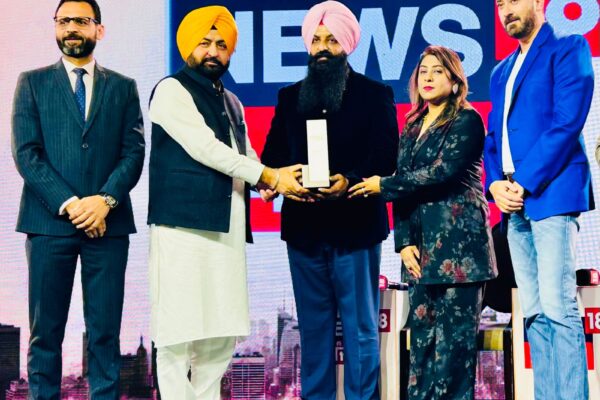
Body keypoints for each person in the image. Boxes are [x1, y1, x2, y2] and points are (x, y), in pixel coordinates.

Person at [147, 6, 306, 400]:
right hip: (182, 228)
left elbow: (243, 153)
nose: (213, 52)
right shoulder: (170, 91)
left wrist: (267, 180)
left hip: (228, 228)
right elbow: (206, 149)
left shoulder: (232, 100)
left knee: (219, 335)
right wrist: (268, 176)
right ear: (188, 48)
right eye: (205, 43)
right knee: (176, 334)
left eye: (222, 45)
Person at [260, 1, 399, 398]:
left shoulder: (374, 95)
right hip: (304, 232)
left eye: (332, 40)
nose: (322, 48)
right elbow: (271, 158)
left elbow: (386, 158)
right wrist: (284, 178)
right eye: (316, 39)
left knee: (360, 330)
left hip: (355, 229)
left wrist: (349, 180)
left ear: (347, 45)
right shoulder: (289, 97)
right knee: (313, 331)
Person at [11, 0, 145, 398]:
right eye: (64, 20)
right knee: (45, 334)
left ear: (98, 30)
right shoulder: (31, 83)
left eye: (81, 21)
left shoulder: (123, 87)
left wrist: (104, 200)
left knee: (105, 333)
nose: (71, 28)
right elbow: (27, 154)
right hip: (48, 224)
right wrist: (72, 204)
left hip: (108, 225)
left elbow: (134, 153)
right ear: (56, 27)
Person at [349, 45, 497, 400]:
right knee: (421, 355)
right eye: (424, 71)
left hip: (460, 256)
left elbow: (441, 172)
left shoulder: (467, 120)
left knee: (453, 358)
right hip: (421, 256)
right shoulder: (412, 124)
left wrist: (383, 185)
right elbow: (405, 184)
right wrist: (403, 243)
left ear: (455, 80)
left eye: (438, 71)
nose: (428, 77)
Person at [484, 0, 594, 398]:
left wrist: (524, 181)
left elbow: (567, 122)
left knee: (558, 307)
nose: (506, 10)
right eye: (500, 4)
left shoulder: (569, 47)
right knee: (534, 314)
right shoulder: (500, 71)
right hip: (513, 205)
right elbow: (493, 138)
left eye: (513, 1)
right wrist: (495, 185)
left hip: (552, 194)